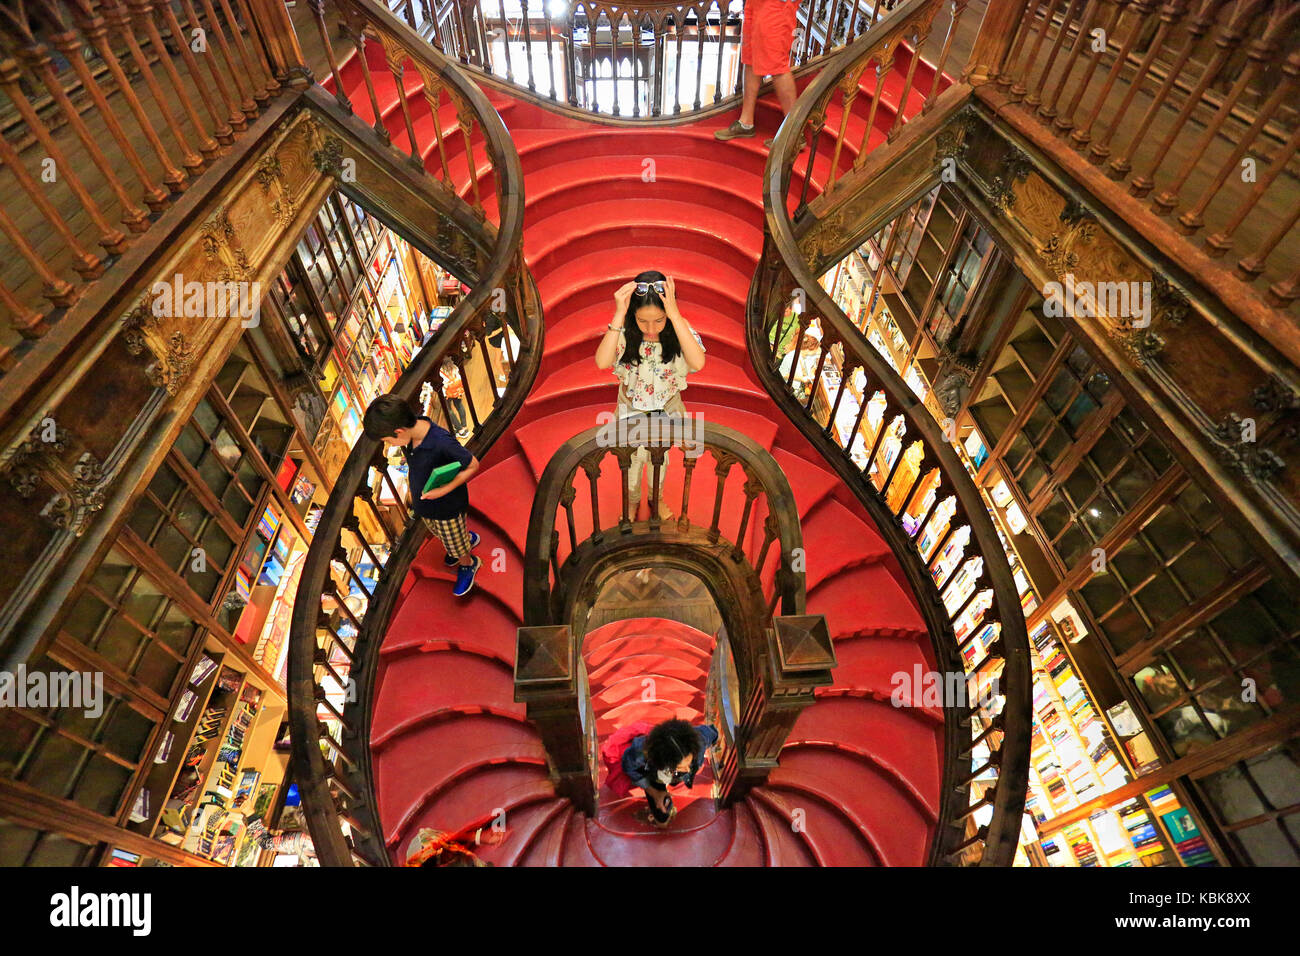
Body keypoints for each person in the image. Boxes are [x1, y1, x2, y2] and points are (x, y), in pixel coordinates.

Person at [594, 271, 706, 521]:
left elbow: (698, 362)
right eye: (643, 320)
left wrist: (675, 316)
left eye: (659, 319)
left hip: (666, 409)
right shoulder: (625, 331)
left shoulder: (678, 328)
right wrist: (619, 314)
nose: (651, 328)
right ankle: (632, 500)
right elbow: (602, 361)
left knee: (660, 460)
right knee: (631, 463)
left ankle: (657, 498)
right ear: (633, 315)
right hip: (631, 410)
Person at [363, 393, 483, 597]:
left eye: (387, 440)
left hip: (447, 507)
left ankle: (468, 562)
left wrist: (442, 490)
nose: (389, 444)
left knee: (454, 543)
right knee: (442, 534)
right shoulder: (412, 435)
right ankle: (463, 540)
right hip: (427, 505)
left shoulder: (440, 442)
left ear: (398, 431)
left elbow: (473, 465)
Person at [713, 0, 804, 150]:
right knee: (750, 57)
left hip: (777, 5)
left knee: (777, 64)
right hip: (756, 3)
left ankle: (794, 133)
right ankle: (746, 123)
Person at [603, 718, 720, 828]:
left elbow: (713, 732)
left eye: (689, 763)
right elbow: (628, 766)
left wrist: (718, 746)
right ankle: (659, 790)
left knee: (673, 785)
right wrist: (653, 792)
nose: (688, 770)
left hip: (667, 772)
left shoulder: (700, 740)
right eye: (681, 766)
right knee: (662, 818)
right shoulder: (642, 753)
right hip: (654, 772)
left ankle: (668, 783)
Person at [440, 358, 470, 439]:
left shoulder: (440, 372)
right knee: (459, 405)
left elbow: (443, 384)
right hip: (457, 390)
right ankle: (464, 426)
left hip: (446, 393)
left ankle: (460, 430)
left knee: (448, 410)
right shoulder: (454, 366)